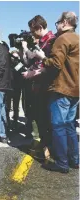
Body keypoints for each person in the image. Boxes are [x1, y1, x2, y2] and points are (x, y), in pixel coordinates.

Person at [35, 11, 79, 173]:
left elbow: (55, 64)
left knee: (58, 126)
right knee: (69, 126)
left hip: (61, 88)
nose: (57, 26)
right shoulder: (77, 38)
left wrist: (41, 57)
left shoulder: (63, 38)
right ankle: (75, 160)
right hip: (75, 90)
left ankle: (61, 163)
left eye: (58, 23)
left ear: (65, 22)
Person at [22, 15, 56, 158]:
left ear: (39, 27)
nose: (32, 34)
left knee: (45, 119)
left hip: (45, 87)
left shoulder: (52, 41)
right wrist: (24, 48)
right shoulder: (42, 42)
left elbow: (53, 65)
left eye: (33, 31)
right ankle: (44, 145)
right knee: (39, 118)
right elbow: (32, 58)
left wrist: (33, 73)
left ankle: (49, 149)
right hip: (37, 86)